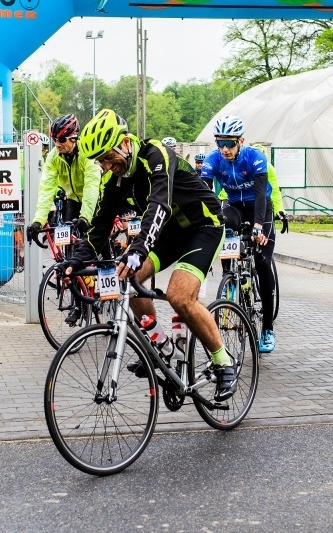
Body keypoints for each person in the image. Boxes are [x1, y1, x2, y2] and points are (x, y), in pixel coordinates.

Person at [63, 109, 237, 401]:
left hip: (203, 227)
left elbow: (159, 205)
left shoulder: (156, 154)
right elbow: (100, 225)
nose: (105, 166)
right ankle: (161, 344)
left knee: (179, 297)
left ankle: (223, 361)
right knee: (126, 277)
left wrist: (139, 247)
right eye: (100, 161)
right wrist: (76, 261)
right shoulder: (116, 179)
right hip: (169, 234)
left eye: (108, 157)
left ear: (125, 144)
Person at [200, 115, 277, 354]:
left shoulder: (255, 157)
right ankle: (231, 278)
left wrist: (258, 227)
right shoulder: (214, 159)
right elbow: (204, 191)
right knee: (222, 223)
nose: (224, 149)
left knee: (263, 263)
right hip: (234, 207)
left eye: (229, 144)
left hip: (259, 208)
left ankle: (267, 327)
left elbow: (262, 194)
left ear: (241, 141)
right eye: (220, 143)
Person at [26, 114, 102, 324]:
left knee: (96, 244)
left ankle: (105, 285)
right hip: (72, 200)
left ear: (74, 138)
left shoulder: (87, 153)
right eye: (54, 140)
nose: (57, 144)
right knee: (70, 250)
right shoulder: (53, 157)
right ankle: (78, 305)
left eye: (61, 140)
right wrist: (38, 221)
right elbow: (46, 189)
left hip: (96, 199)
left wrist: (86, 216)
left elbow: (91, 186)